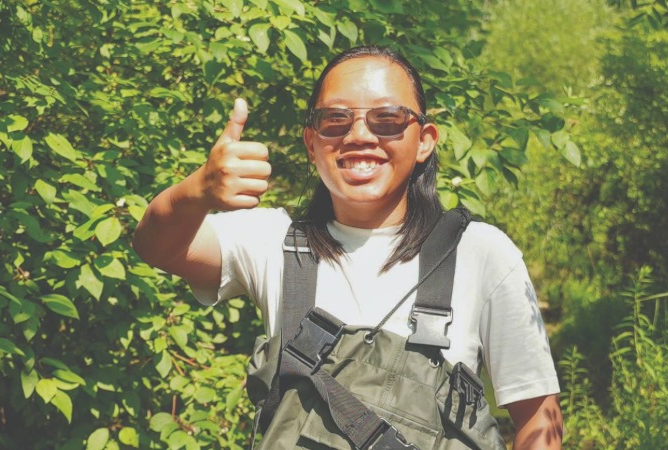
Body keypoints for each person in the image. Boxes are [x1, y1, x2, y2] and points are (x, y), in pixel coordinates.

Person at [133, 45, 562, 449]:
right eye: (335, 119)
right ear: (311, 143)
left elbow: (538, 420)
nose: (359, 135)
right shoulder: (274, 242)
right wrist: (196, 191)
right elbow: (156, 247)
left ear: (425, 140)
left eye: (387, 119)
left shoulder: (479, 253)